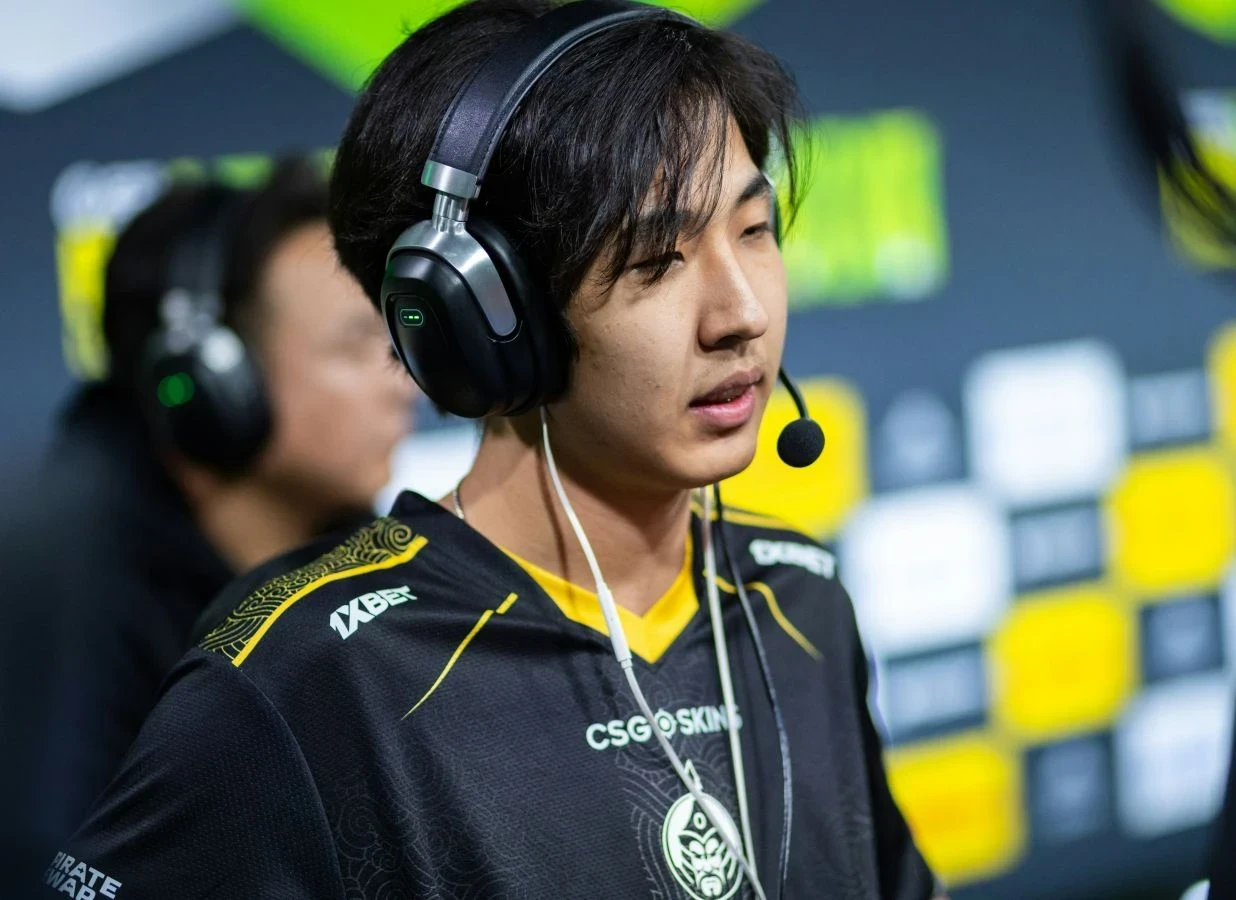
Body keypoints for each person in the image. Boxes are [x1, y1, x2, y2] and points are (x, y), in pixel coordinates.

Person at [45, 3, 944, 898]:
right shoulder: (306, 676)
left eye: (754, 231)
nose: (742, 312)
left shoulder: (799, 601)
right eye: (654, 260)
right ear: (484, 319)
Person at [1, 159, 416, 893]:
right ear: (211, 379)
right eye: (354, 345)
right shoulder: (56, 603)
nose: (403, 383)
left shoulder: (366, 564)